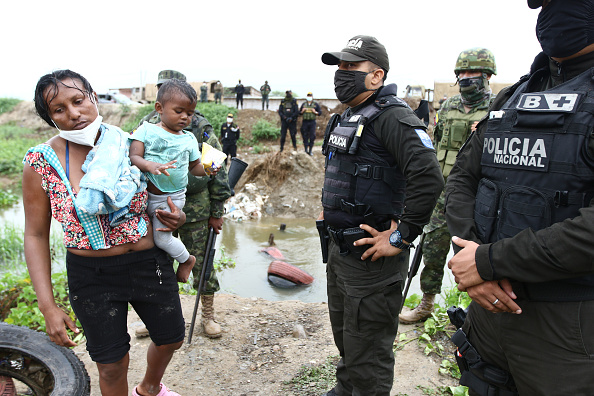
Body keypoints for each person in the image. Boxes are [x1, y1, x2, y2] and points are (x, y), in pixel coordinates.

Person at [445, 1, 594, 394]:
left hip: (566, 325)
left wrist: (488, 262)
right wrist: (470, 255)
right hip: (487, 316)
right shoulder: (512, 98)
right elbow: (462, 179)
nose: (556, 10)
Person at [24, 69, 186, 396]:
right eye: (59, 109)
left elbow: (162, 200)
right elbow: (35, 235)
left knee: (172, 338)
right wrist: (48, 307)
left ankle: (150, 387)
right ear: (49, 118)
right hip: (91, 276)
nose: (73, 113)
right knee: (111, 365)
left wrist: (176, 218)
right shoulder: (41, 162)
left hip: (147, 263)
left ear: (93, 98)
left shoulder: (133, 145)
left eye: (78, 100)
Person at [319, 35, 443, 396]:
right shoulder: (349, 116)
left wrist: (403, 235)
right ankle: (345, 389)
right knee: (348, 340)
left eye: (350, 67)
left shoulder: (393, 117)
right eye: (339, 67)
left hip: (373, 264)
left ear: (376, 76)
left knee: (370, 352)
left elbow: (428, 176)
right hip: (342, 253)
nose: (341, 74)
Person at [399, 48, 497, 324]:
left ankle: (477, 313)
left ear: (487, 75)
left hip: (476, 195)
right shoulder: (449, 106)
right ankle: (426, 304)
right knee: (432, 248)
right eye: (461, 73)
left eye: (472, 73)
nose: (466, 78)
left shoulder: (497, 108)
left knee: (474, 251)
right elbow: (438, 144)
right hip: (443, 192)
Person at [135, 70, 232, 339]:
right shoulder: (147, 124)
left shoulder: (199, 127)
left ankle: (208, 316)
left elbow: (217, 168)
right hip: (156, 205)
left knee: (201, 263)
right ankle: (161, 318)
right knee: (158, 263)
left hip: (195, 209)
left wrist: (216, 212)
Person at [130, 79, 211, 284]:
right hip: (144, 196)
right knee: (142, 239)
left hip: (172, 198)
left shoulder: (189, 139)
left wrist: (210, 169)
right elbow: (134, 156)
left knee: (161, 238)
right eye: (178, 111)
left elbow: (195, 168)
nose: (185, 117)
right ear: (159, 108)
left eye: (189, 113)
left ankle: (186, 260)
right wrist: (150, 165)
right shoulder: (146, 130)